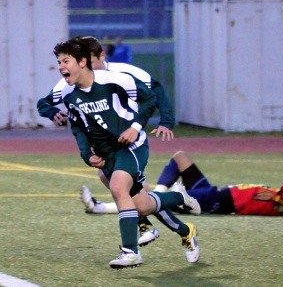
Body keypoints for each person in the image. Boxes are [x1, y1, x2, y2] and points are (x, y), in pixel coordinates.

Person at [49, 37, 201, 268]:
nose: (88, 69)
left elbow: (155, 92)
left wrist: (162, 122)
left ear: (98, 58)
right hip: (110, 150)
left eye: (89, 62)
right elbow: (68, 115)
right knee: (142, 203)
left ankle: (132, 247)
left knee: (120, 187)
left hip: (133, 145)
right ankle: (178, 213)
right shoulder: (75, 87)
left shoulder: (121, 75)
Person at [83, 150, 283, 216]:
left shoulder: (282, 203)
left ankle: (100, 208)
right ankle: (160, 193)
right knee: (180, 157)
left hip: (218, 201)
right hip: (215, 192)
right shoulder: (282, 198)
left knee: (147, 202)